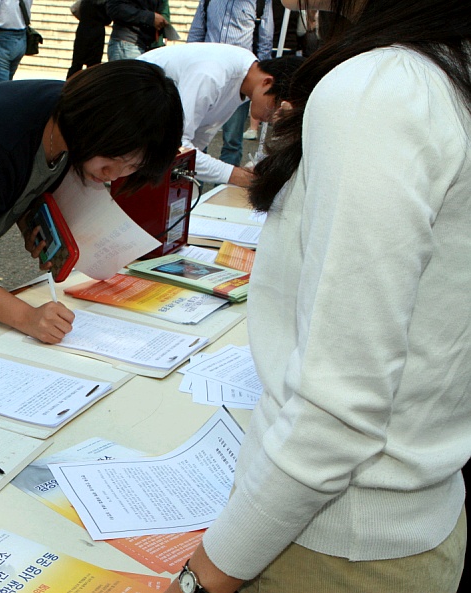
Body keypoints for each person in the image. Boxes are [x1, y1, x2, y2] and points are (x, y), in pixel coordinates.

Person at [175, 1, 471, 592]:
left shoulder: (383, 88)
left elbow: (340, 404)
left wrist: (205, 575)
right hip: (412, 517)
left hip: (328, 543)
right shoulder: (444, 71)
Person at [0, 60, 183, 351]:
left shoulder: (67, 119)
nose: (113, 175)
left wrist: (30, 220)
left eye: (132, 166)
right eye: (114, 160)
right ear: (94, 123)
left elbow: (21, 183)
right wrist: (29, 317)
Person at [139, 43, 303, 187]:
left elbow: (198, 138)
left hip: (151, 134)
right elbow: (177, 146)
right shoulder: (213, 75)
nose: (272, 118)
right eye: (276, 107)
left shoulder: (244, 76)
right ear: (267, 82)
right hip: (137, 111)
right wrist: (236, 175)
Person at [187, 0, 273, 168]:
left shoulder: (261, 2)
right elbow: (197, 31)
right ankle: (194, 180)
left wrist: (258, 75)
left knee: (232, 140)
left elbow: (265, 40)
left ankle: (226, 182)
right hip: (208, 75)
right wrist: (192, 61)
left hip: (239, 80)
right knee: (197, 135)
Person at [66, 0, 111, 79]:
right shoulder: (104, 3)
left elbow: (74, 9)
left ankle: (70, 83)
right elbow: (108, 19)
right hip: (97, 32)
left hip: (83, 29)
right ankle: (90, 83)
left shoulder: (85, 2)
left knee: (77, 63)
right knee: (93, 65)